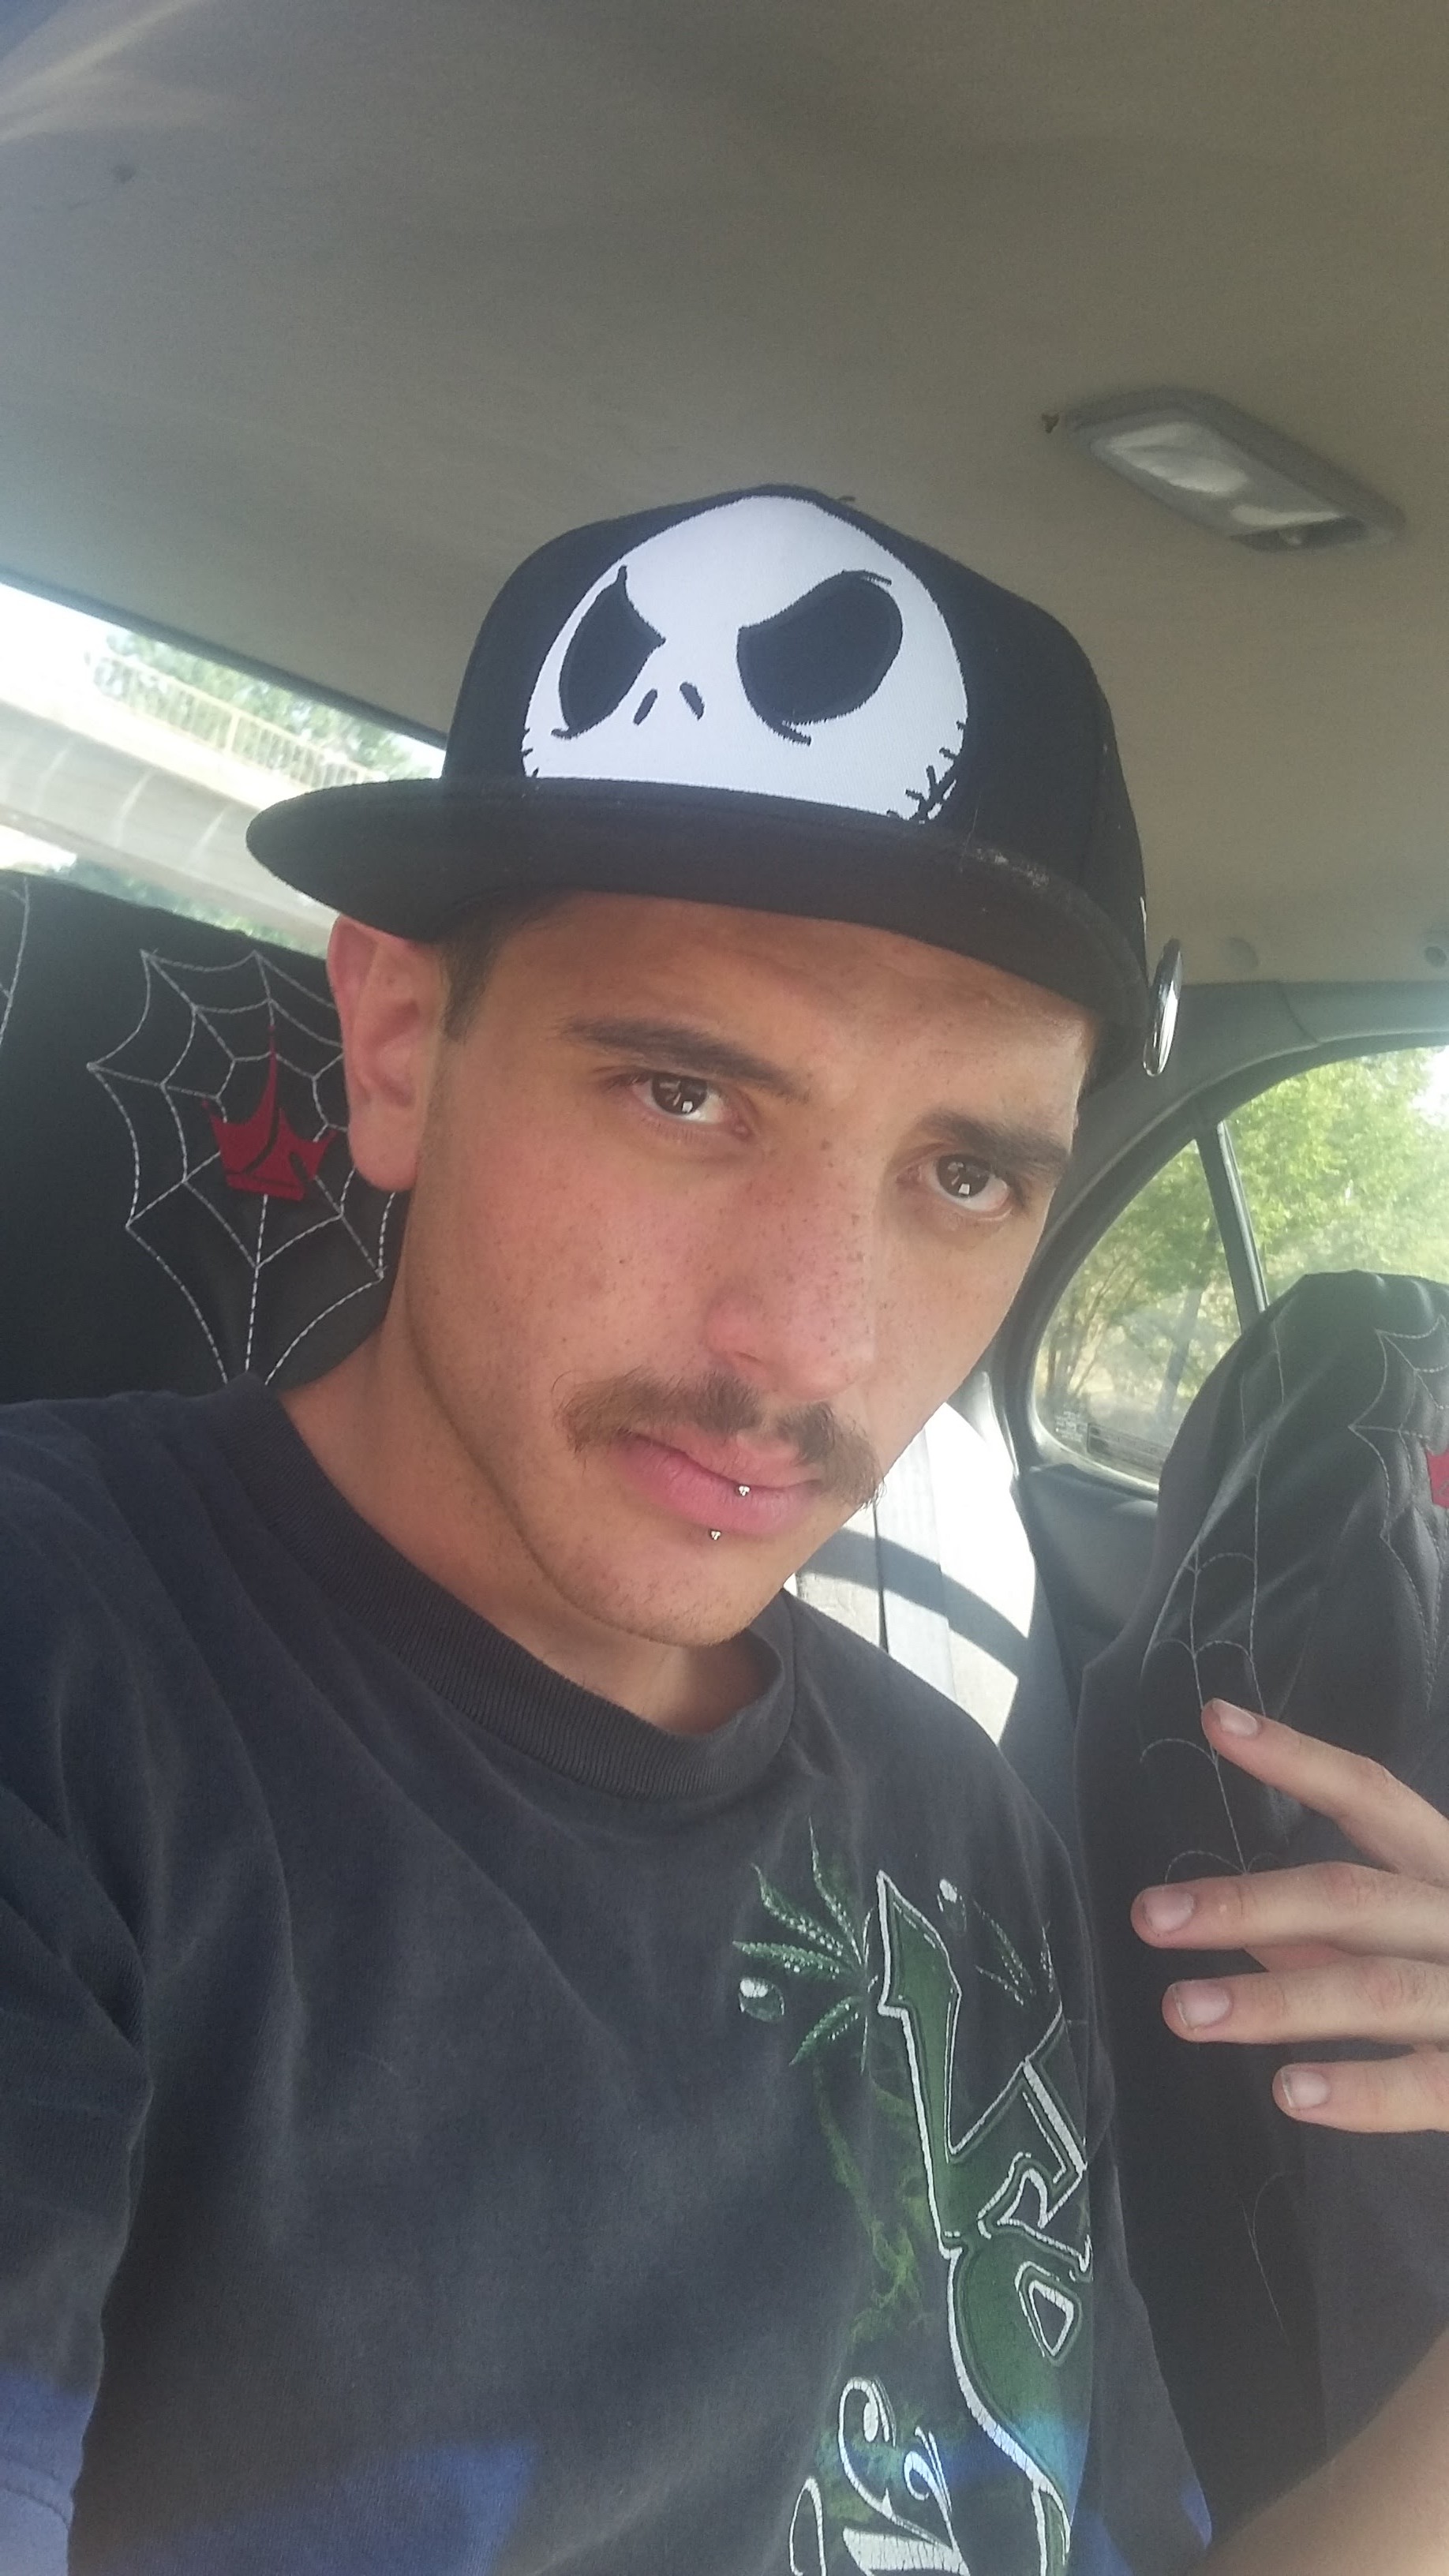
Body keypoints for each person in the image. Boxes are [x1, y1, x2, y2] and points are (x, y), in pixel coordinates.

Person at [0, 485, 1445, 2576]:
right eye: (685, 1094)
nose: (811, 1349)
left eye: (962, 1176)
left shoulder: (955, 1823)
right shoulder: (57, 1690)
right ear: (397, 1047)